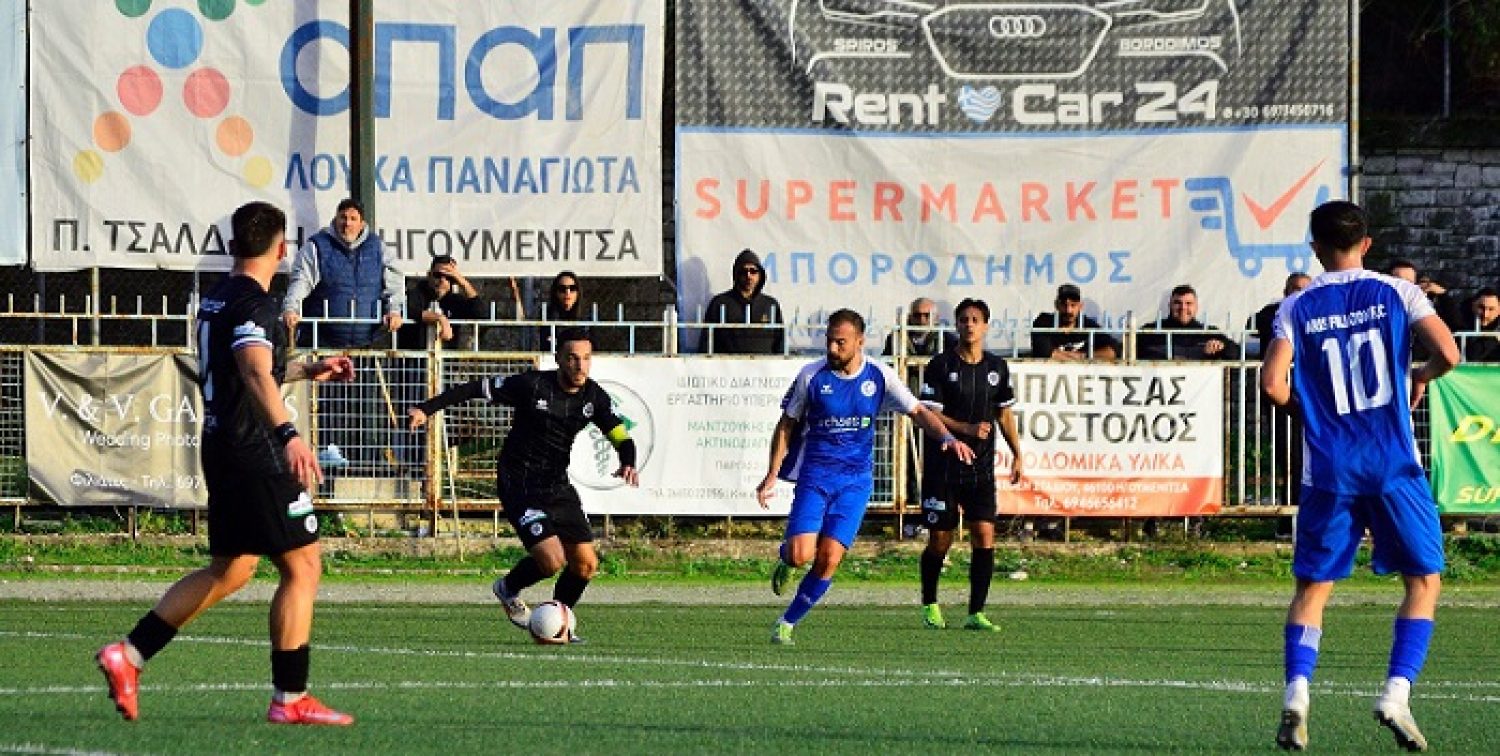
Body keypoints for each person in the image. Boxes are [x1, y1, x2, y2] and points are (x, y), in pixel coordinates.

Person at [95, 201, 357, 726]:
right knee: (303, 565)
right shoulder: (258, 303)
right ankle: (290, 697)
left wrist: (307, 369)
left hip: (222, 445)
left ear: (234, 244)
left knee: (233, 568)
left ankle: (131, 653)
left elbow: (247, 368)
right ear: (282, 250)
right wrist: (289, 435)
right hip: (256, 450)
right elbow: (255, 371)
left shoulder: (217, 298)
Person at [1262, 200, 1459, 752]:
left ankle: (1297, 695)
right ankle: (1396, 693)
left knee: (1313, 588)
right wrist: (1420, 375)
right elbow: (1448, 353)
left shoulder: (1296, 305)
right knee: (1423, 580)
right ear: (1366, 244)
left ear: (1315, 247)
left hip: (1330, 467)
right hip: (1393, 462)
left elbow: (1273, 385)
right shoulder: (1399, 292)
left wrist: (1311, 410)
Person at [756, 309, 975, 645]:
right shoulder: (811, 376)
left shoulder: (879, 375)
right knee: (801, 555)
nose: (832, 348)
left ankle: (786, 623)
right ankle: (786, 559)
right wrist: (773, 472)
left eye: (840, 342)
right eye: (829, 341)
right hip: (815, 478)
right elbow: (787, 424)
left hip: (855, 483)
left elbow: (918, 411)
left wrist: (947, 437)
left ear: (860, 341)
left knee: (829, 558)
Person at [408, 328, 638, 643]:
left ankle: (558, 622)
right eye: (572, 358)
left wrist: (628, 461)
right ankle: (507, 588)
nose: (580, 365)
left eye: (586, 358)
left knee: (586, 564)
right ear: (559, 359)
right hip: (519, 484)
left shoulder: (593, 397)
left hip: (557, 486)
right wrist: (426, 409)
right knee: (552, 560)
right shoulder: (532, 385)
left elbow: (619, 434)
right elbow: (475, 387)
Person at [917, 298, 1023, 632]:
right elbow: (928, 413)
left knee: (984, 534)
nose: (969, 325)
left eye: (976, 319)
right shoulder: (940, 365)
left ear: (986, 326)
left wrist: (1018, 453)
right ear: (957, 325)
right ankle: (930, 604)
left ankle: (976, 612)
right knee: (940, 540)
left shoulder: (996, 367)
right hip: (943, 466)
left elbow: (1004, 414)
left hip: (980, 467)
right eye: (964, 319)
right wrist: (966, 428)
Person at [282, 198, 404, 348]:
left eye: (353, 219)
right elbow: (301, 280)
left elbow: (394, 284)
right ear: (336, 219)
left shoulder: (379, 248)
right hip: (321, 344)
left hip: (368, 345)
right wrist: (291, 308)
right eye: (343, 217)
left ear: (362, 223)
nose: (347, 223)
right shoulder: (317, 246)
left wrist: (394, 311)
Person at [704, 249, 784, 354]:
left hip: (764, 364)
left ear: (760, 275)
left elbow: (780, 344)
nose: (748, 276)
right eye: (743, 271)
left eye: (753, 271)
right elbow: (706, 344)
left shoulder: (770, 305)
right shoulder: (719, 303)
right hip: (726, 364)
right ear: (736, 274)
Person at [400, 255, 483, 350]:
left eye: (448, 277)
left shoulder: (455, 300)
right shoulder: (416, 293)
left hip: (447, 358)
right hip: (414, 357)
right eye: (437, 275)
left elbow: (481, 314)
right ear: (429, 275)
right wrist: (440, 319)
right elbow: (411, 310)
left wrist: (463, 283)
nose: (442, 280)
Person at [1138, 284, 1242, 360]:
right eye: (1177, 303)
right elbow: (1129, 353)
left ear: (1196, 307)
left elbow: (1238, 354)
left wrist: (1222, 347)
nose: (1183, 308)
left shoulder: (1209, 333)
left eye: (1188, 303)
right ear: (1169, 305)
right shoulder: (1150, 332)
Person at [1030, 284, 1119, 360]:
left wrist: (1083, 356)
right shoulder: (1044, 322)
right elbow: (1043, 352)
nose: (1068, 310)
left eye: (1073, 305)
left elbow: (1114, 350)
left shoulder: (1087, 325)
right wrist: (1080, 357)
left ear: (1080, 306)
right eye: (1064, 305)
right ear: (1057, 305)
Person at [1387, 260, 1464, 332]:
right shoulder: (1383, 304)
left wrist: (1443, 295)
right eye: (1400, 282)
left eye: (1409, 282)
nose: (1405, 286)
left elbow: (1454, 325)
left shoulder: (1421, 305)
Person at [1251, 273, 1313, 353]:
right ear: (1286, 292)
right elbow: (1251, 327)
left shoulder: (1319, 314)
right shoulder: (1270, 312)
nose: (1301, 293)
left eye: (1307, 289)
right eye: (1297, 289)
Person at [882, 297, 952, 357]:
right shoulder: (896, 338)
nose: (922, 319)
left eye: (927, 315)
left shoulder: (947, 339)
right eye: (917, 315)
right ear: (910, 316)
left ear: (936, 318)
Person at [540, 271, 584, 353]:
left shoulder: (586, 318)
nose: (567, 292)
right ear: (556, 292)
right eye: (562, 289)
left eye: (572, 288)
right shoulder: (546, 316)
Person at [1459, 287, 1500, 362]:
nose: (1485, 314)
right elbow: (1470, 356)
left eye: (1491, 309)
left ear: (1499, 310)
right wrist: (1494, 338)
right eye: (1481, 307)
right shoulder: (1461, 322)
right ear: (1473, 306)